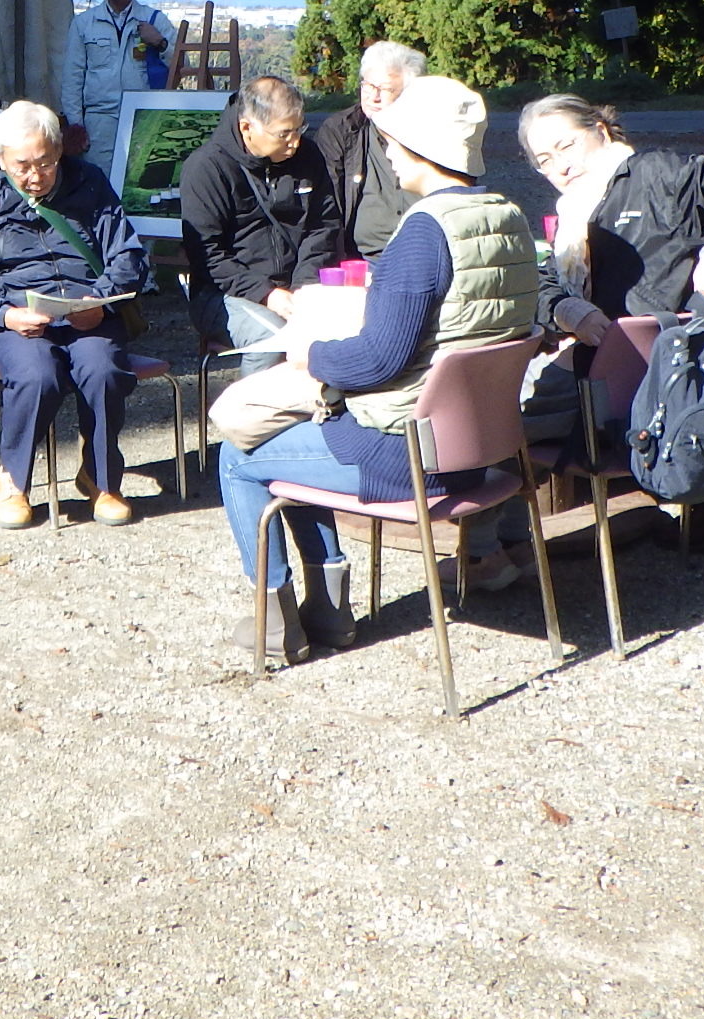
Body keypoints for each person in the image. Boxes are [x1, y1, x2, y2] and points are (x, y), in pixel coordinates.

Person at [216, 76, 539, 661]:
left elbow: (377, 360)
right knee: (299, 437)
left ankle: (278, 619)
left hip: (410, 453)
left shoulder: (423, 234)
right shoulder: (508, 216)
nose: (386, 152)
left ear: (420, 149)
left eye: (393, 141)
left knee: (239, 455)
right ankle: (326, 610)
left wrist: (311, 354)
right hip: (486, 448)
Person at [0, 101, 151, 529]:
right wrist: (6, 315)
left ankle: (101, 479)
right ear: (1, 159)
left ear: (59, 152)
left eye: (45, 163)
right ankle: (13, 480)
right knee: (38, 375)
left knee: (102, 369)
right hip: (20, 320)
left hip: (88, 311)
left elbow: (128, 256)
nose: (35, 176)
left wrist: (101, 301)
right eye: (22, 166)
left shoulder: (90, 183)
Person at [518, 92, 704, 343]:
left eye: (567, 146)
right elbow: (541, 283)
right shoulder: (572, 219)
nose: (561, 167)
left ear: (601, 132)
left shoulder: (656, 174)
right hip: (605, 357)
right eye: (545, 161)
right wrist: (569, 310)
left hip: (674, 352)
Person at [179, 75, 340, 358]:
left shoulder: (309, 156)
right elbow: (207, 255)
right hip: (226, 293)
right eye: (284, 134)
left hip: (298, 285)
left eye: (299, 129)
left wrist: (304, 287)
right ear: (247, 128)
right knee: (276, 340)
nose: (295, 142)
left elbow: (322, 226)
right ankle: (257, 390)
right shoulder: (207, 168)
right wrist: (266, 294)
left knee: (349, 327)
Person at [311, 39, 424, 260]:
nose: (373, 97)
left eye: (385, 89)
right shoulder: (340, 131)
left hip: (420, 257)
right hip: (362, 261)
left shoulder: (429, 132)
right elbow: (325, 211)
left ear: (407, 93)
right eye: (368, 86)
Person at [62, 0, 171, 176]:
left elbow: (182, 64)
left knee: (137, 181)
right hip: (98, 120)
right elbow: (72, 77)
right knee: (97, 183)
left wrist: (160, 42)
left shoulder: (155, 20)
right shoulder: (85, 23)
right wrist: (76, 125)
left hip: (143, 118)